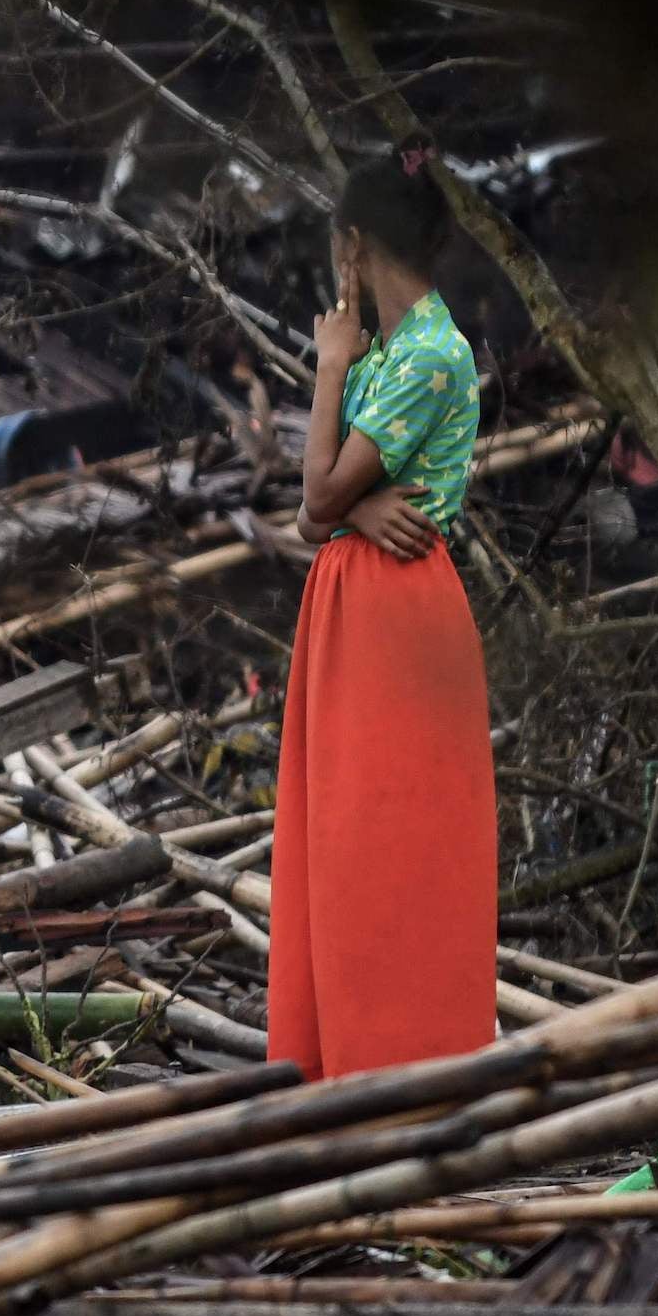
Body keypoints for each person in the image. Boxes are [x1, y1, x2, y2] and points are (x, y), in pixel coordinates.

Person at [271, 151, 498, 1078]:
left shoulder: (430, 355)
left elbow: (316, 487)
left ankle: (402, 1064)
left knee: (392, 846)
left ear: (355, 247)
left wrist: (328, 368)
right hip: (351, 601)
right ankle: (334, 1065)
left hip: (396, 615)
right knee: (335, 840)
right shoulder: (394, 351)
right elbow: (311, 510)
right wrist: (352, 507)